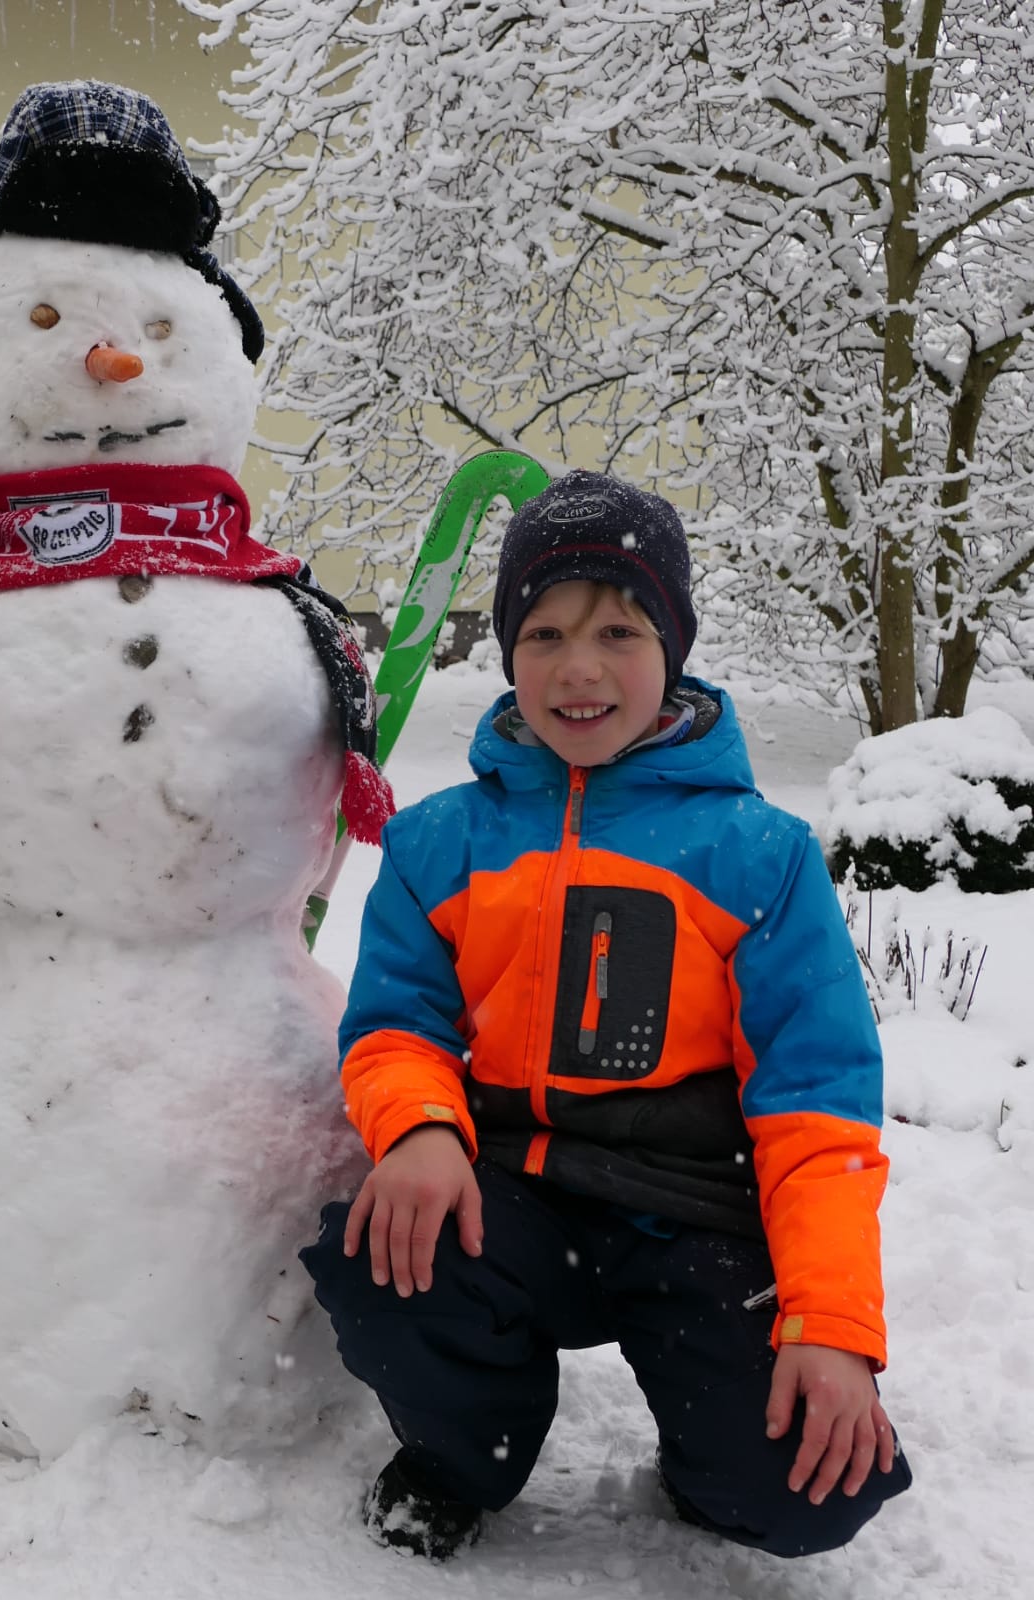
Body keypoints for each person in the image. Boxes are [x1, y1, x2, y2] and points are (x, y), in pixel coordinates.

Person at [301, 470, 912, 1562]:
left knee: (804, 1490)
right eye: (542, 632)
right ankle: (465, 1448)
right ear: (506, 651)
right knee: (383, 1252)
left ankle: (708, 1455)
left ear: (671, 645)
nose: (577, 667)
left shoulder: (757, 854)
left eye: (618, 629)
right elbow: (395, 1027)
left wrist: (830, 1325)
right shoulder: (441, 840)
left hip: (691, 1213)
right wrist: (421, 1130)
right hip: (509, 1190)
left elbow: (816, 1106)